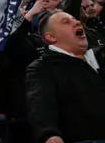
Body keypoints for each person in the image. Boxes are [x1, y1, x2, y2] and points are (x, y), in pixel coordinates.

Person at [25, 11, 105, 143]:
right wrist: (49, 134)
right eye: (66, 22)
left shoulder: (100, 55)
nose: (77, 22)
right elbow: (40, 106)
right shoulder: (42, 68)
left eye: (74, 19)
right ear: (51, 37)